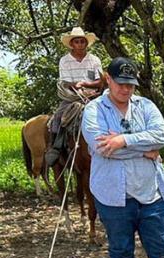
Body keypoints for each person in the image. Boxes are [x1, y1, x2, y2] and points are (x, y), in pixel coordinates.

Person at [82, 57, 164, 258]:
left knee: (160, 253)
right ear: (108, 79)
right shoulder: (93, 110)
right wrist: (145, 151)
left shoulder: (146, 106)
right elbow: (101, 147)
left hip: (152, 195)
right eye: (120, 83)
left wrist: (122, 140)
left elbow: (160, 137)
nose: (126, 89)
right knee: (121, 252)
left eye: (130, 84)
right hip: (113, 197)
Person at [46, 27, 103, 166]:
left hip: (93, 95)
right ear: (71, 44)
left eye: (82, 41)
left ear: (86, 43)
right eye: (77, 42)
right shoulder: (64, 60)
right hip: (72, 96)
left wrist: (85, 84)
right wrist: (77, 87)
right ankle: (56, 146)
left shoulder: (94, 60)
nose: (80, 44)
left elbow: (100, 80)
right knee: (59, 116)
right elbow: (65, 82)